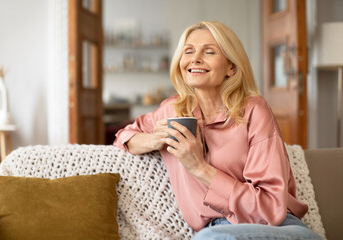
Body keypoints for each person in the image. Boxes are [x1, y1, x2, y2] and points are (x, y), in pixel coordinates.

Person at [114, 21, 321, 239]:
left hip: (278, 228)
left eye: (209, 51)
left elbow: (270, 208)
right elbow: (125, 136)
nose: (195, 58)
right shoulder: (172, 111)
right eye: (189, 51)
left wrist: (199, 168)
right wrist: (154, 139)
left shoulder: (253, 110)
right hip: (215, 230)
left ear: (231, 66)